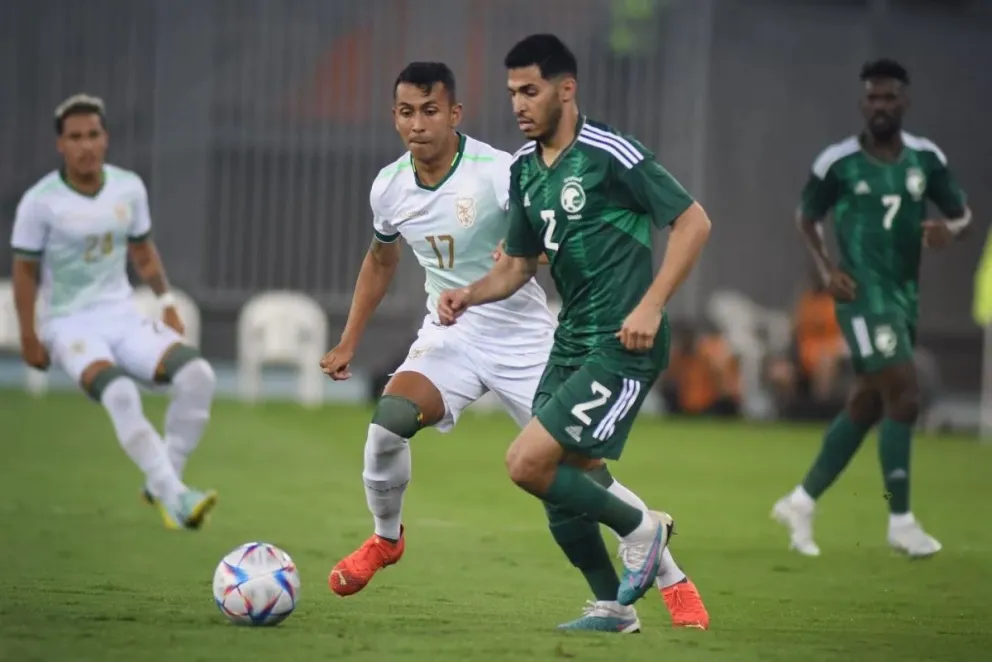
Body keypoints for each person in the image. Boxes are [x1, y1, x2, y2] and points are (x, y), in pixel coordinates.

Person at [321, 62, 709, 632]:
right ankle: (385, 540)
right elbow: (381, 259)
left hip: (524, 338)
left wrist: (519, 257)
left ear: (454, 114)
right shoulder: (389, 185)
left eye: (430, 111)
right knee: (387, 424)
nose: (417, 124)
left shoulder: (499, 172)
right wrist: (348, 339)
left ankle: (673, 581)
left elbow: (549, 245)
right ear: (394, 117)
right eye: (406, 112)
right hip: (452, 334)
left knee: (577, 474)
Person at [437, 34, 713, 631]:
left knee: (525, 463)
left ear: (567, 89)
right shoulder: (525, 173)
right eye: (512, 93)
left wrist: (651, 305)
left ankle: (644, 529)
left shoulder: (611, 152)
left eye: (531, 91)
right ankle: (614, 607)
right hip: (571, 343)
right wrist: (468, 293)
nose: (519, 104)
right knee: (564, 482)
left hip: (624, 342)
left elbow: (693, 223)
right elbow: (515, 265)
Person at [772, 59, 972, 558]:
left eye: (889, 97)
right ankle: (900, 520)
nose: (880, 106)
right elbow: (806, 216)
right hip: (861, 295)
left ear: (904, 101)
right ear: (863, 103)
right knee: (906, 392)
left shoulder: (925, 160)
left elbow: (961, 213)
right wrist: (824, 270)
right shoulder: (838, 162)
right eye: (872, 98)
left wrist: (955, 231)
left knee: (867, 404)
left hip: (904, 295)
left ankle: (801, 501)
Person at [10, 94, 218, 530]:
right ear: (60, 146)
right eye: (75, 137)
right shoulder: (39, 202)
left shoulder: (129, 187)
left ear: (105, 139)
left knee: (198, 376)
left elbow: (142, 252)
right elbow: (25, 272)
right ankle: (177, 499)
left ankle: (164, 479)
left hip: (121, 314)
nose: (85, 145)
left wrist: (166, 303)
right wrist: (29, 334)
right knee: (120, 391)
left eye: (93, 135)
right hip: (67, 323)